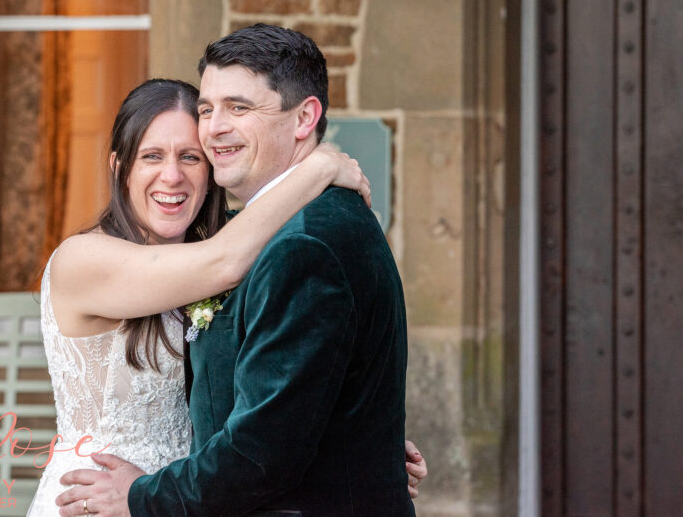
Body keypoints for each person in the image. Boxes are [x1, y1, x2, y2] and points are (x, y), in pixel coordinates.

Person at [55, 25, 416, 516]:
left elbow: (265, 445)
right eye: (207, 110)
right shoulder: (104, 258)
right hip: (97, 495)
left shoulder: (294, 244)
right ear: (118, 167)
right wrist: (320, 165)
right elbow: (229, 285)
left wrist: (358, 434)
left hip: (155, 497)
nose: (214, 129)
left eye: (238, 108)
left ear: (304, 118)